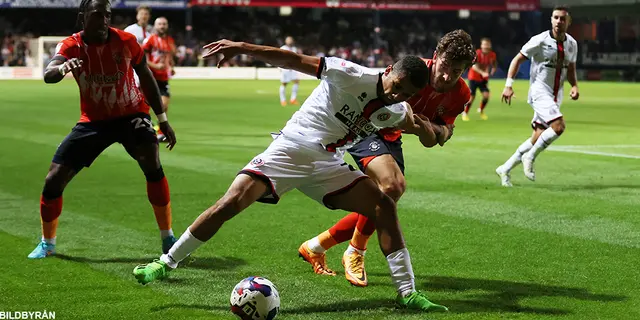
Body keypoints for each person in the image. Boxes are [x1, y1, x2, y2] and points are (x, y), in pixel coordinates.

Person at [133, 39, 449, 312]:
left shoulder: (395, 111)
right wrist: (242, 48)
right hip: (289, 150)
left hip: (327, 164)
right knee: (230, 203)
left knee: (384, 205)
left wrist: (435, 129)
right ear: (390, 69)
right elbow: (292, 59)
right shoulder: (350, 73)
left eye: (404, 94)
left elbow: (425, 132)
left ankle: (408, 293)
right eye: (396, 86)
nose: (396, 95)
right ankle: (165, 262)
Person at [298, 29, 475, 287]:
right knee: (392, 186)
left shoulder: (460, 94)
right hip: (366, 126)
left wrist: (432, 129)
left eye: (456, 71)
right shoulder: (414, 72)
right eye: (445, 66)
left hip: (391, 137)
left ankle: (316, 246)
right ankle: (355, 253)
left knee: (387, 198)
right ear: (435, 57)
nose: (446, 75)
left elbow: (439, 136)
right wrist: (426, 129)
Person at [28, 0, 177, 259]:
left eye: (107, 15)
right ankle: (47, 243)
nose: (104, 20)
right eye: (98, 15)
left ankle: (168, 238)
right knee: (53, 179)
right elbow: (49, 73)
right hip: (93, 121)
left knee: (152, 161)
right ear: (83, 17)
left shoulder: (126, 41)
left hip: (132, 115)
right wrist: (63, 68)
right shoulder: (72, 45)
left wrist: (162, 119)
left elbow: (146, 76)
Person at [496, 6, 579, 187]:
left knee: (538, 136)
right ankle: (530, 157)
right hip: (539, 91)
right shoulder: (539, 40)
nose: (559, 21)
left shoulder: (572, 44)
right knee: (558, 126)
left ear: (568, 22)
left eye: (562, 18)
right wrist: (508, 85)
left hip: (556, 94)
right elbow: (517, 59)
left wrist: (574, 86)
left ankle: (505, 168)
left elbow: (571, 68)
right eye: (556, 18)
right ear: (551, 20)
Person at [142, 17, 176, 142]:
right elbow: (142, 58)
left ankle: (160, 131)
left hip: (163, 78)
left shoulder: (170, 41)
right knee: (144, 106)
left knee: (164, 106)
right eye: (160, 24)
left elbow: (170, 57)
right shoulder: (150, 40)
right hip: (151, 77)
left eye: (164, 24)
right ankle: (144, 129)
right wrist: (156, 66)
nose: (162, 26)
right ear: (155, 26)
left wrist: (171, 67)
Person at [462, 37, 497, 121]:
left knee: (486, 96)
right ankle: (465, 113)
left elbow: (494, 64)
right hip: (473, 78)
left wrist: (493, 70)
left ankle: (481, 110)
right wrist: (483, 73)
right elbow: (473, 66)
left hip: (483, 79)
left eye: (487, 44)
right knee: (471, 97)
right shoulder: (477, 53)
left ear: (490, 45)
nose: (486, 46)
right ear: (481, 45)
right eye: (484, 44)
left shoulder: (492, 54)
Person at [279, 36, 300, 106]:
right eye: (288, 40)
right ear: (285, 41)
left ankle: (293, 99)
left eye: (291, 40)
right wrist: (280, 68)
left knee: (296, 82)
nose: (290, 41)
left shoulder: (294, 49)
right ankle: (283, 100)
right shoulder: (283, 48)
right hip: (285, 69)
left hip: (293, 68)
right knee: (284, 84)